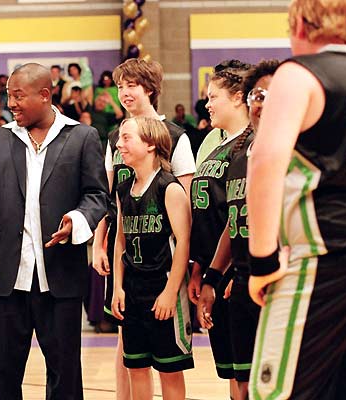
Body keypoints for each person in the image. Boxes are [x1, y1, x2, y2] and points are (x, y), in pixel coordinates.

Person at [247, 1, 346, 399]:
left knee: (275, 393)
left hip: (325, 255)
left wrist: (261, 260)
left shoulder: (298, 74)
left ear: (301, 21)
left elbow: (265, 160)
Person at [0, 63, 108, 399]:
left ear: (45, 95)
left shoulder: (82, 137)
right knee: (3, 375)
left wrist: (78, 220)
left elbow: (97, 196)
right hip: (9, 277)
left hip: (61, 277)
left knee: (65, 375)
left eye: (18, 96)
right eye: (9, 96)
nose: (12, 104)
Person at [92, 57, 196, 400]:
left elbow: (183, 211)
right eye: (119, 86)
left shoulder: (176, 137)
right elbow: (105, 199)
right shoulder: (114, 140)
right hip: (128, 262)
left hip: (162, 265)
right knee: (128, 349)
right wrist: (98, 243)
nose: (123, 92)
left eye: (130, 85)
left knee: (166, 364)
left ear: (149, 88)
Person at [196, 59, 280, 400]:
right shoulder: (237, 153)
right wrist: (213, 277)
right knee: (241, 385)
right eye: (257, 95)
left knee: (273, 383)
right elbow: (235, 222)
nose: (261, 103)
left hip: (276, 283)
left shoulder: (290, 152)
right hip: (241, 281)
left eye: (269, 96)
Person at [111, 117, 193, 400]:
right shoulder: (123, 190)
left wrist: (171, 293)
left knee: (169, 370)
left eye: (126, 138)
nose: (119, 144)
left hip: (163, 287)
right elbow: (120, 240)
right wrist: (117, 287)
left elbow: (183, 243)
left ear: (150, 144)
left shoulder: (168, 188)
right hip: (132, 290)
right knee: (136, 367)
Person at [188, 64, 252, 400]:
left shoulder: (252, 144)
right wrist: (200, 269)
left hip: (238, 272)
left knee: (249, 375)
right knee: (232, 373)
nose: (207, 104)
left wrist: (223, 274)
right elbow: (206, 216)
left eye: (214, 97)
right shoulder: (215, 145)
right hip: (214, 269)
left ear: (238, 97)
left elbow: (238, 219)